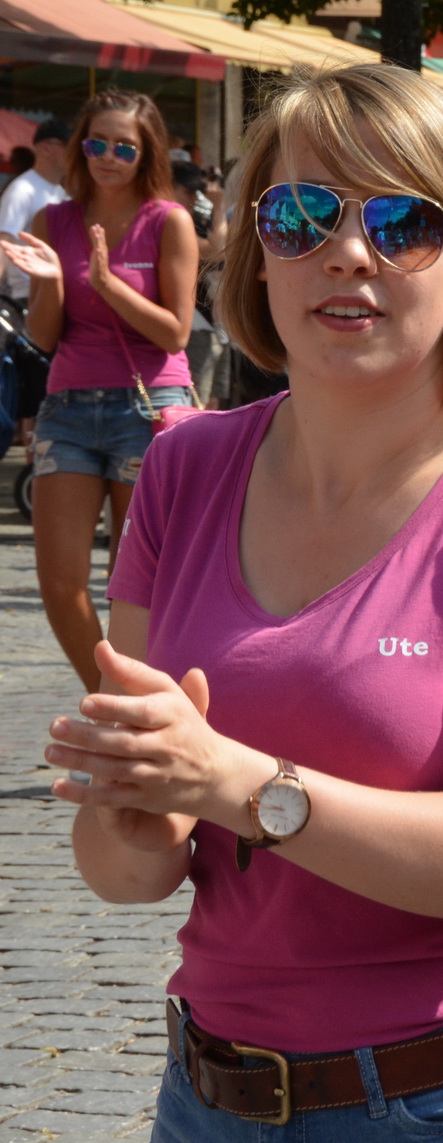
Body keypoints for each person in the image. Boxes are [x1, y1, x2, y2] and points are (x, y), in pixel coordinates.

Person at [40, 63, 443, 1143]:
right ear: (254, 248)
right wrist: (134, 815)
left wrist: (229, 780)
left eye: (401, 223)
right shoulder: (185, 467)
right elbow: (130, 864)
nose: (348, 252)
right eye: (300, 215)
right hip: (218, 1103)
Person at [0, 92, 196, 693]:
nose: (109, 157)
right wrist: (56, 281)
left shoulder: (168, 221)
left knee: (132, 587)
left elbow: (175, 332)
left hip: (150, 410)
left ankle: (130, 723)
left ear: (145, 153)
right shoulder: (53, 221)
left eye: (124, 147)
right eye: (97, 144)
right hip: (69, 408)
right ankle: (114, 707)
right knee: (60, 584)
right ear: (80, 148)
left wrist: (108, 285)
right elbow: (43, 335)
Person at [0, 118, 70, 436]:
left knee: (44, 382)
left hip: (54, 297)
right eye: (69, 146)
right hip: (25, 298)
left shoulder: (60, 192)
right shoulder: (23, 189)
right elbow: (4, 242)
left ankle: (35, 448)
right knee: (34, 382)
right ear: (46, 147)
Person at [169, 159, 229, 408]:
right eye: (188, 191)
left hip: (212, 326)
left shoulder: (193, 219)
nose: (195, 198)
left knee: (212, 403)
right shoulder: (168, 222)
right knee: (195, 406)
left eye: (197, 191)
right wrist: (219, 206)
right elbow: (217, 250)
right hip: (193, 327)